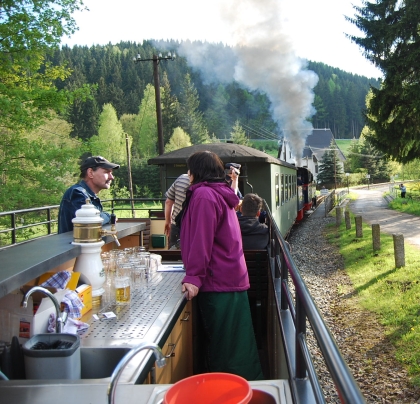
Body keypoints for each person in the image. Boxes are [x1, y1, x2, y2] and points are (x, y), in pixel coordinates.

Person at [180, 151, 264, 381]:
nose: (188, 175)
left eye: (189, 170)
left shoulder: (204, 196)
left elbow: (201, 239)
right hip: (229, 279)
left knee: (226, 349)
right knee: (236, 345)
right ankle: (247, 388)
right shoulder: (219, 194)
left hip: (218, 282)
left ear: (196, 172)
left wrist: (194, 277)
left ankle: (230, 391)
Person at [58, 155, 120, 234]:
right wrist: (109, 216)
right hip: (74, 245)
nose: (112, 177)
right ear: (90, 173)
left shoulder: (88, 194)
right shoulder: (77, 192)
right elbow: (92, 220)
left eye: (111, 173)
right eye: (107, 172)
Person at [164, 173, 191, 249]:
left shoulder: (181, 178)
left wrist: (168, 221)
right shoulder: (206, 183)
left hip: (176, 225)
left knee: (173, 255)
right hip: (195, 228)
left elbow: (168, 202)